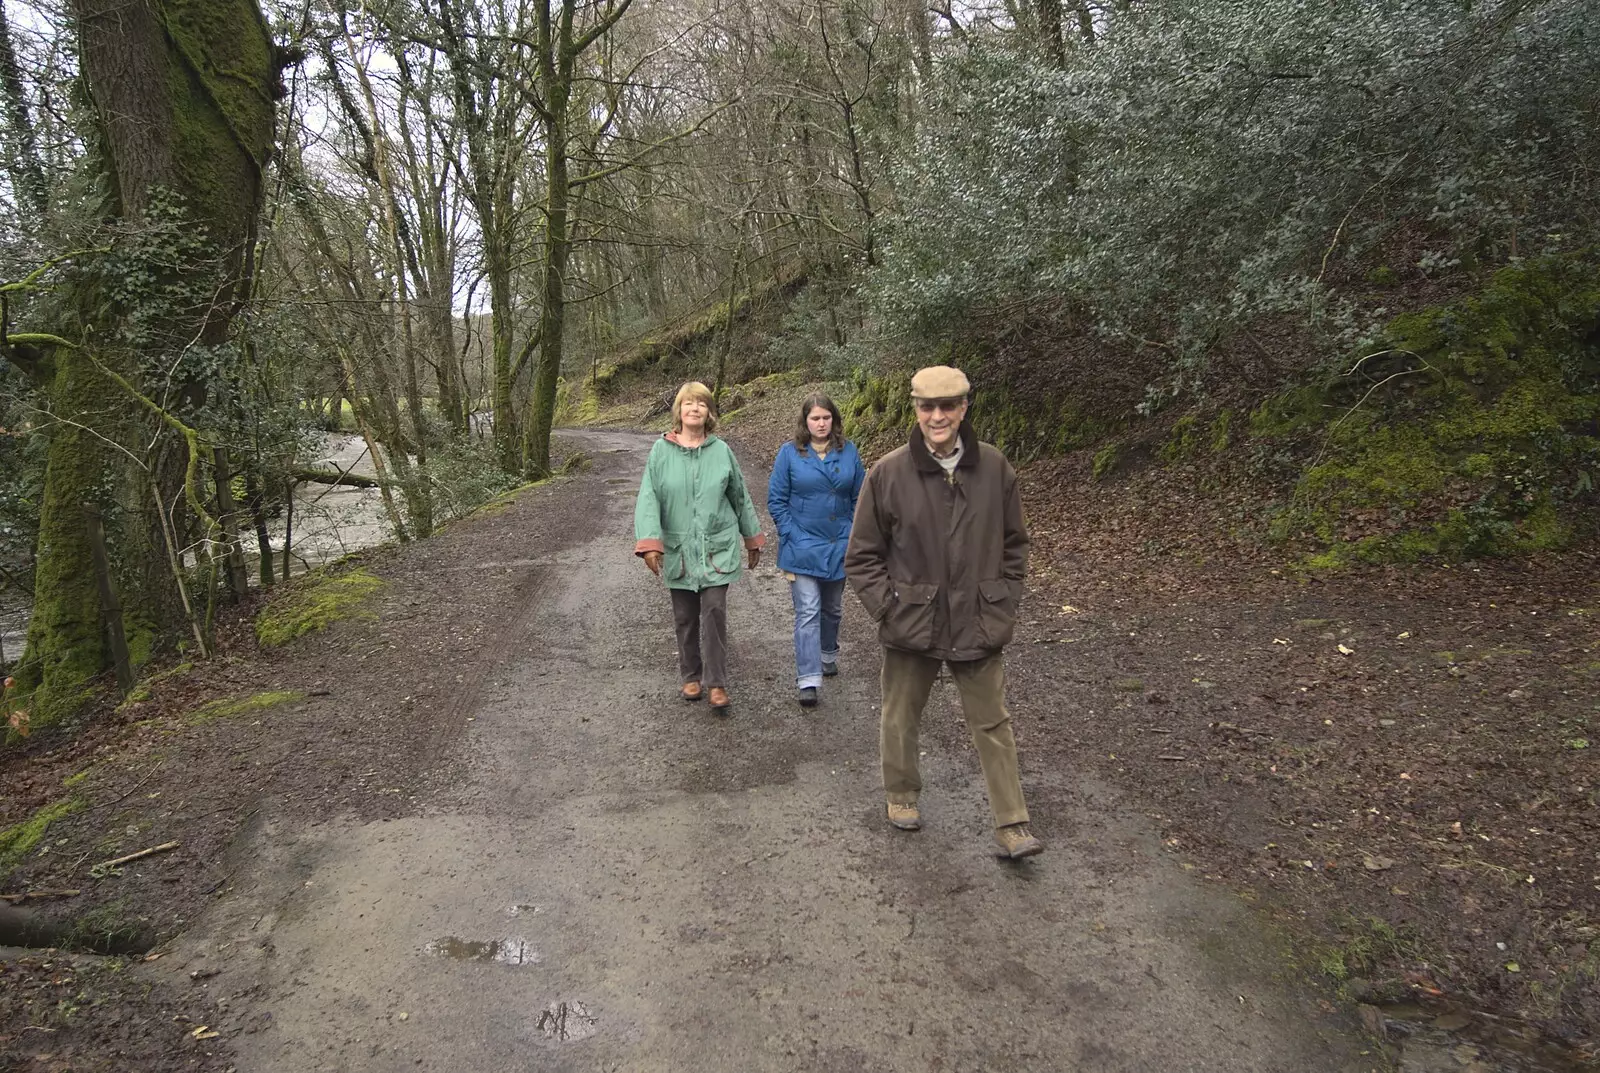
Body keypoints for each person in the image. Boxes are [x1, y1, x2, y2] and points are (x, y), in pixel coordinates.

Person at [843, 365, 1043, 859]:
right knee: (899, 716)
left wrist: (1005, 600)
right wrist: (889, 607)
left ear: (964, 407)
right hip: (912, 620)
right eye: (928, 407)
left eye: (948, 405)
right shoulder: (887, 473)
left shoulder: (996, 469)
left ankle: (1012, 824)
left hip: (979, 617)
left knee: (993, 723)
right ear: (915, 409)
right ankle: (902, 796)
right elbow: (862, 556)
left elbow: (1015, 545)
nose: (938, 416)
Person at [634, 382, 765, 713]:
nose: (694, 409)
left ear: (710, 413)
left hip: (715, 548)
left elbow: (739, 496)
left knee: (714, 611)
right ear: (678, 411)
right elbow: (649, 498)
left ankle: (717, 683)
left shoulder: (721, 451)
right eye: (688, 403)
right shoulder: (660, 452)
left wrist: (752, 538)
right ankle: (691, 675)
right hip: (679, 548)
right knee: (685, 617)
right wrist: (650, 542)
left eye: (701, 404)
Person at [767, 393, 866, 709]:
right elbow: (776, 500)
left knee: (833, 608)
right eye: (815, 418)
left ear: (834, 420)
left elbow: (861, 497)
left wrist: (853, 532)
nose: (821, 423)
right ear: (805, 422)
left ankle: (827, 654)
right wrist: (790, 534)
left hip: (839, 543)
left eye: (826, 418)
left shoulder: (848, 452)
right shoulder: (789, 454)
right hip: (802, 546)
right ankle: (808, 679)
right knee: (807, 610)